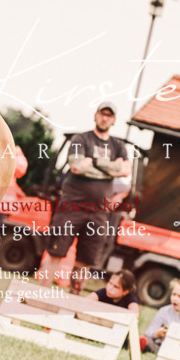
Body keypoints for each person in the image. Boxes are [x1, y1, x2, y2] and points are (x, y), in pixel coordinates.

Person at [37, 102, 131, 289]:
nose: (104, 118)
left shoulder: (118, 146)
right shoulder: (81, 139)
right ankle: (40, 294)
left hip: (98, 212)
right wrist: (111, 168)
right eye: (102, 114)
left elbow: (125, 170)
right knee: (56, 252)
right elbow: (76, 167)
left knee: (84, 261)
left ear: (113, 120)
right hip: (71, 208)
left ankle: (73, 303)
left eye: (109, 115)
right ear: (95, 115)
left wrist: (93, 162)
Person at [140, 279, 180, 353]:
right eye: (174, 294)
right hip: (160, 345)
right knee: (148, 341)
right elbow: (148, 333)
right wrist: (157, 333)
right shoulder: (164, 311)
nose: (175, 298)